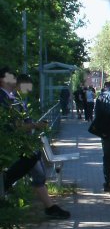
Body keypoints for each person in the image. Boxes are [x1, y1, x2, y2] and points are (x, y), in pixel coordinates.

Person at [0, 67, 71, 219]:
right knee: (29, 163)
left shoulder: (11, 97)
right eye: (11, 77)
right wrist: (35, 126)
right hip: (15, 144)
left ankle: (50, 207)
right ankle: (7, 187)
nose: (15, 79)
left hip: (24, 143)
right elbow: (13, 125)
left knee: (38, 173)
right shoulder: (3, 98)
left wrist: (32, 125)